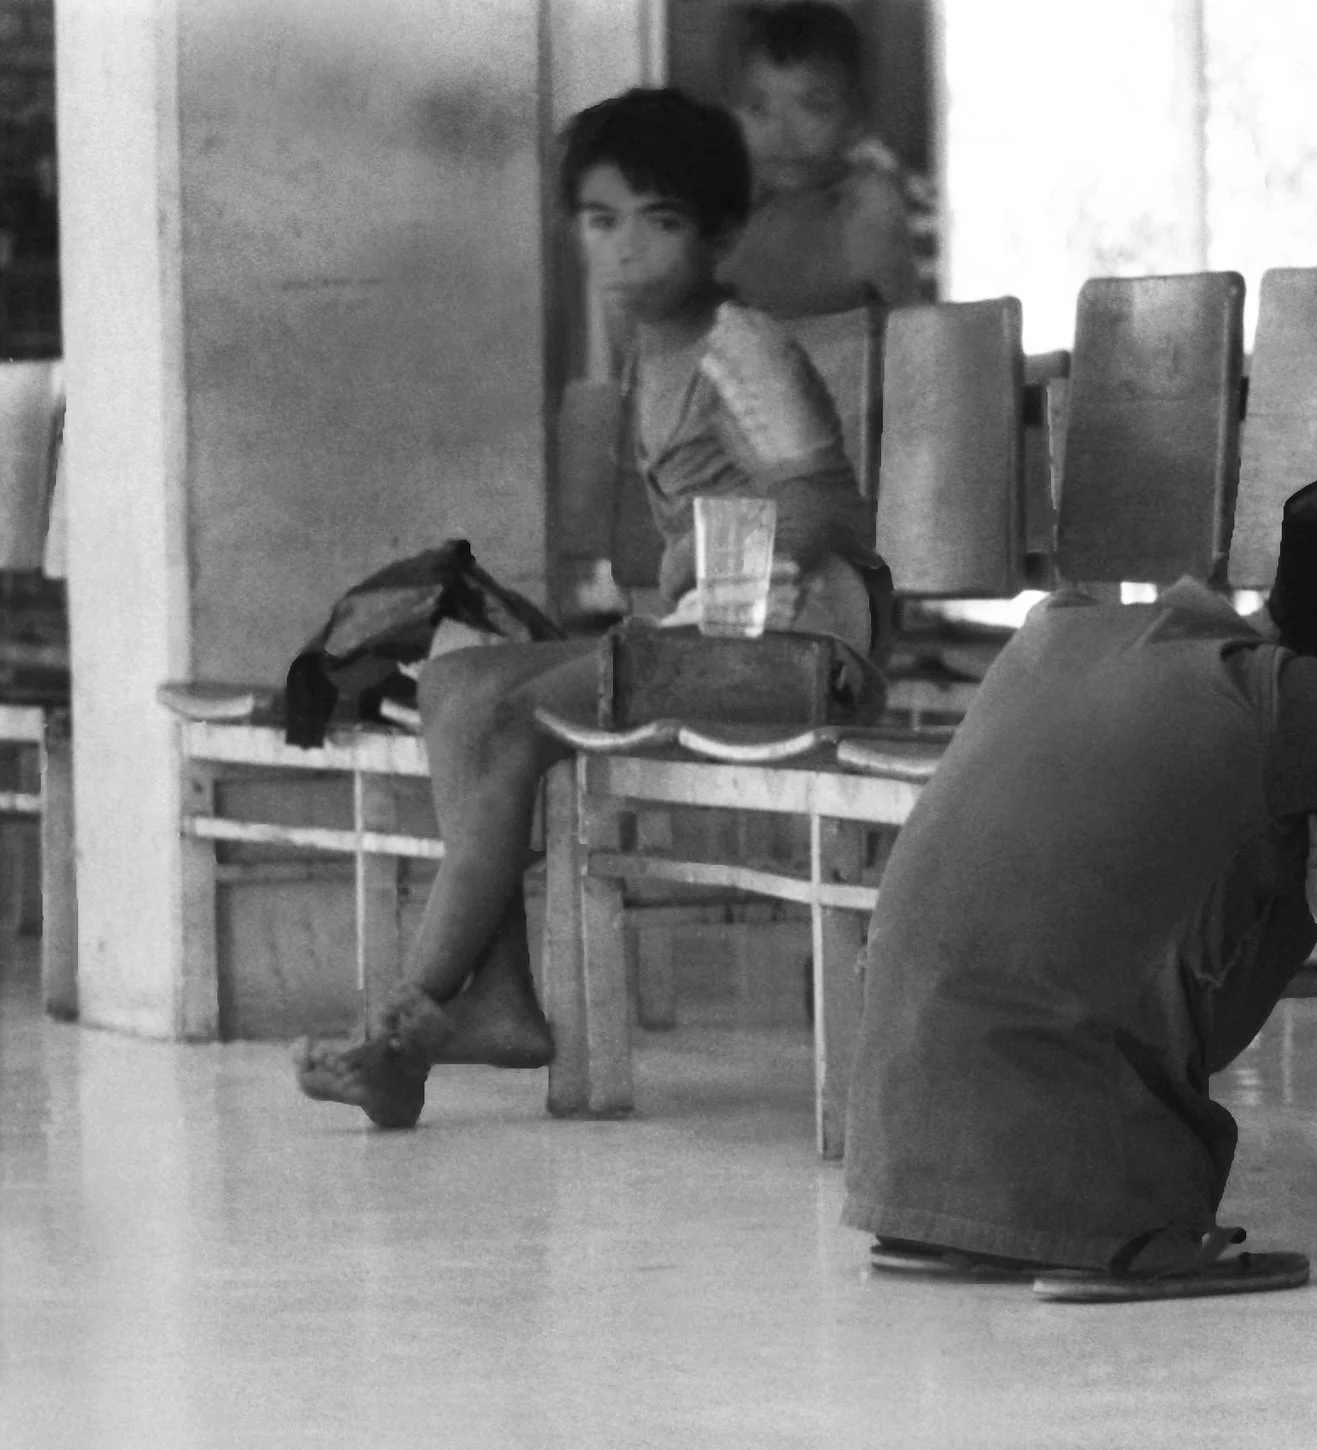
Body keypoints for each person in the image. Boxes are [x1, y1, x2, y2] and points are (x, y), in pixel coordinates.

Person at [840, 465, 1317, 1301]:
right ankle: (1104, 1227)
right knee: (1263, 863)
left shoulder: (1059, 629)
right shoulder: (1280, 698)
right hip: (1086, 1193)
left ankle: (957, 1222)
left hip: (892, 1160)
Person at [293, 88, 892, 1130]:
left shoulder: (736, 348)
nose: (624, 250)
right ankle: (502, 1005)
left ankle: (411, 1016)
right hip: (698, 636)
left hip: (792, 644)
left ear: (718, 234)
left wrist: (712, 564)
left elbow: (829, 503)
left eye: (658, 223)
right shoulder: (644, 352)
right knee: (453, 683)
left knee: (525, 723)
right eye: (601, 221)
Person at [718, 2, 935, 317]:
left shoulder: (869, 207)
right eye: (757, 108)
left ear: (856, 116)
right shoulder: (721, 202)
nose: (782, 132)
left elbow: (911, 333)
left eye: (814, 106)